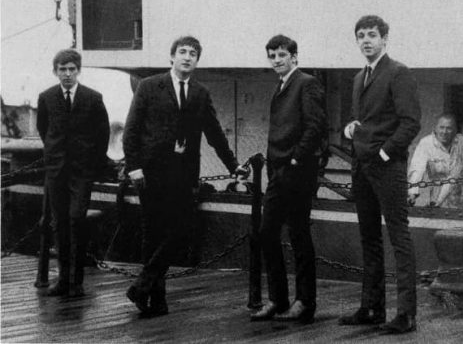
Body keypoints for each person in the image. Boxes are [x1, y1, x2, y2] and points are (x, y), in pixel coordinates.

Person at [123, 36, 248, 316]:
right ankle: (156, 299)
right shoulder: (149, 86)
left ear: (197, 60)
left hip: (183, 174)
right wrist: (134, 166)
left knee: (179, 231)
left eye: (193, 53)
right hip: (151, 172)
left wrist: (233, 165)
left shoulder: (200, 93)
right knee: (153, 234)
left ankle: (142, 285)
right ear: (172, 57)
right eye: (182, 52)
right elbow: (132, 130)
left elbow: (214, 133)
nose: (187, 57)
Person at [339, 15, 421, 335]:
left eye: (372, 34)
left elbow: (411, 122)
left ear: (385, 38)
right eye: (360, 36)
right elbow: (362, 119)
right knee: (369, 236)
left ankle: (406, 314)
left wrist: (385, 153)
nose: (366, 40)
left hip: (387, 167)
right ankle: (372, 308)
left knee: (399, 237)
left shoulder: (398, 73)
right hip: (361, 166)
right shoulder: (359, 77)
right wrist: (350, 128)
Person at [250, 35, 326, 324]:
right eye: (272, 55)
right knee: (268, 233)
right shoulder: (281, 86)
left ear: (294, 56)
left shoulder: (306, 83)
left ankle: (305, 302)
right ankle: (278, 299)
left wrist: (296, 159)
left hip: (296, 172)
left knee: (298, 235)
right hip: (279, 172)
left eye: (282, 55)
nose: (277, 60)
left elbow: (316, 126)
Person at [37, 49, 110, 298]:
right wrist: (54, 158)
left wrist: (93, 163)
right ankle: (63, 280)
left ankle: (77, 281)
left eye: (71, 69)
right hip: (57, 172)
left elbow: (102, 135)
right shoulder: (46, 98)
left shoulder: (93, 98)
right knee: (59, 225)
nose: (67, 74)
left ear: (78, 70)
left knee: (76, 219)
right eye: (62, 69)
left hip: (82, 172)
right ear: (55, 71)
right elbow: (44, 130)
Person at [407, 113, 463, 208]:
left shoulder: (461, 142)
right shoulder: (426, 143)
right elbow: (417, 170)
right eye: (441, 127)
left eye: (449, 128)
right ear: (435, 128)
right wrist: (412, 194)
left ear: (455, 131)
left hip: (458, 199)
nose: (444, 132)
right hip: (436, 200)